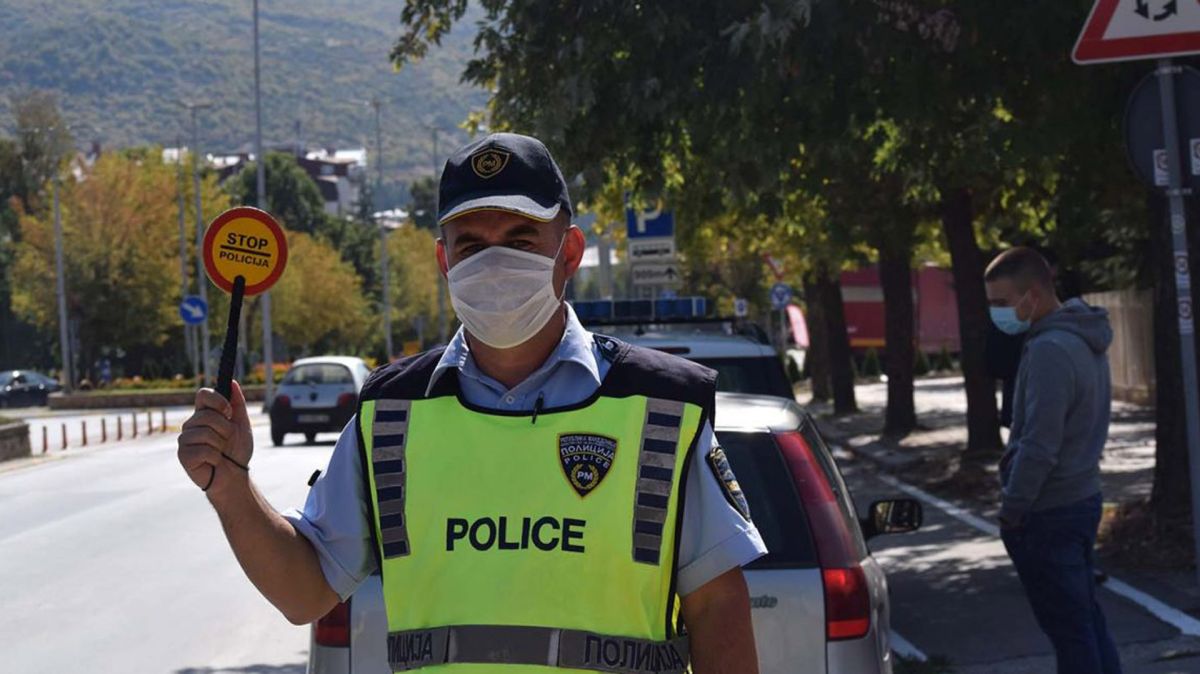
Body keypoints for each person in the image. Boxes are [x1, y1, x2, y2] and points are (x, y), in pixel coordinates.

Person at [178, 132, 765, 673]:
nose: (495, 263)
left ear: (569, 252)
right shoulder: (390, 416)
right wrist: (230, 486)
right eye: (472, 245)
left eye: (520, 240)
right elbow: (305, 593)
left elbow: (718, 608)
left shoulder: (663, 409)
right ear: (444, 261)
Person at [984, 247, 1121, 674]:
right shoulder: (1082, 336)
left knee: (1071, 632)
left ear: (1034, 295)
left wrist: (1013, 508)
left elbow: (1040, 444)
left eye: (1002, 302)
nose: (996, 313)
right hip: (1082, 496)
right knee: (1085, 622)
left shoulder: (1050, 349)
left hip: (1049, 508)